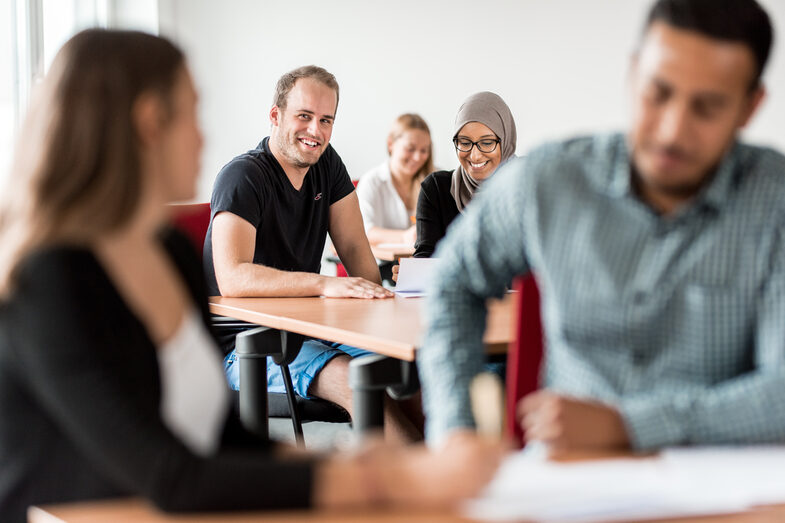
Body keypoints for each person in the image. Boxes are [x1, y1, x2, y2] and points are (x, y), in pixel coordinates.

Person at [0, 29, 505, 522]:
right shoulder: (50, 280)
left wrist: (389, 474)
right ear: (148, 124)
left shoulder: (168, 253)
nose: (202, 135)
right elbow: (171, 475)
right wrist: (384, 482)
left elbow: (227, 439)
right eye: (191, 114)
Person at [419, 0, 785, 453]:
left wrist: (631, 426)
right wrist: (456, 426)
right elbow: (453, 282)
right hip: (569, 480)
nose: (672, 131)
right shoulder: (551, 180)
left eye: (707, 108)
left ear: (750, 107)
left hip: (730, 488)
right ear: (633, 75)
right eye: (658, 93)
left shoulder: (776, 204)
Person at [203, 66, 423, 442]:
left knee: (413, 362)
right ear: (275, 116)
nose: (316, 131)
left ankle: (445, 476)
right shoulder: (243, 177)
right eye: (304, 116)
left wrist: (380, 312)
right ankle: (425, 486)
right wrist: (324, 285)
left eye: (326, 120)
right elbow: (233, 276)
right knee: (355, 379)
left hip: (310, 329)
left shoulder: (327, 165)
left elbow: (354, 247)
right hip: (243, 345)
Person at [414, 91, 516, 259]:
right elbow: (426, 258)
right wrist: (414, 272)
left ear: (505, 140)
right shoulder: (436, 189)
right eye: (464, 142)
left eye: (487, 142)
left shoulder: (527, 186)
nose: (475, 155)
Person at [357, 114, 433, 281]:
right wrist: (405, 236)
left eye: (424, 150)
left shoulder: (434, 181)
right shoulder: (373, 182)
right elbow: (364, 231)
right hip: (381, 271)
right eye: (410, 148)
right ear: (391, 144)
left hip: (423, 269)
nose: (417, 157)